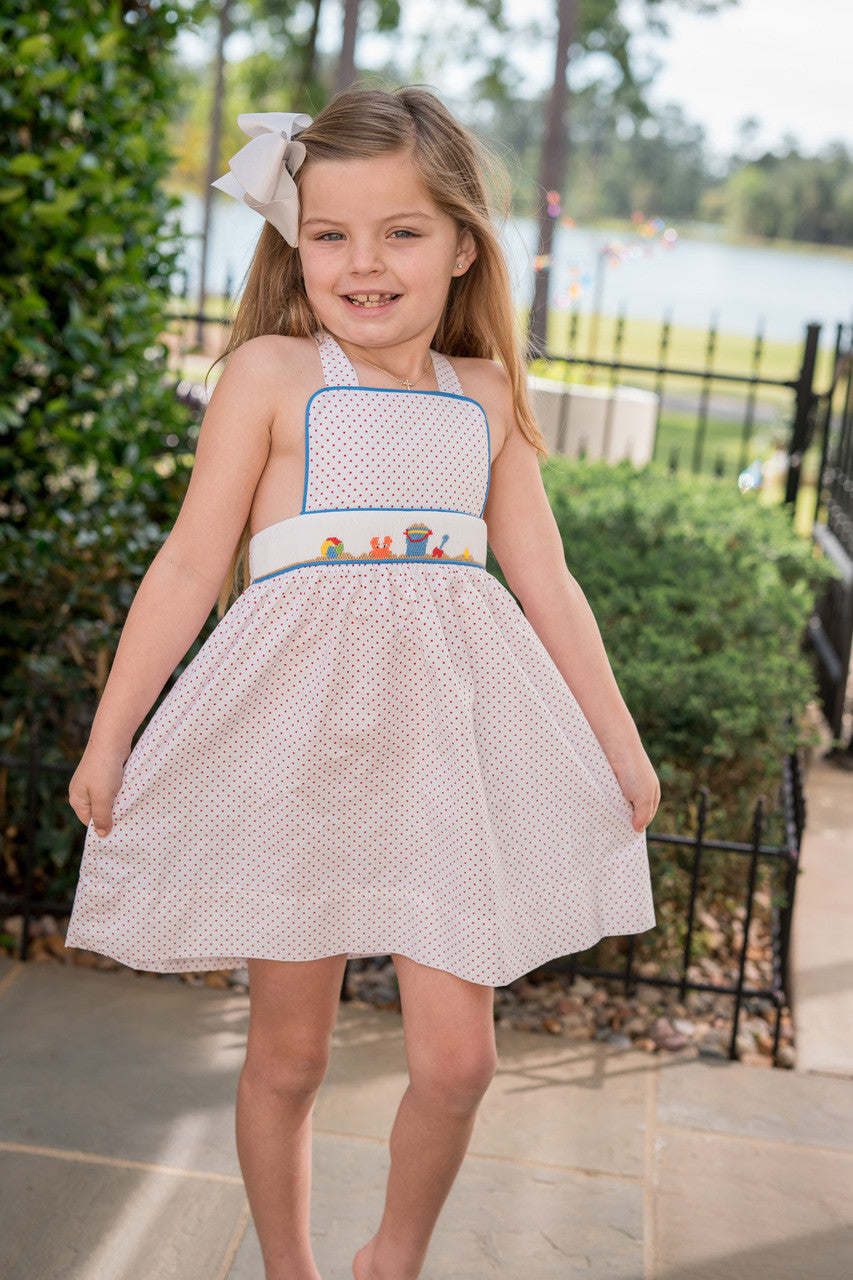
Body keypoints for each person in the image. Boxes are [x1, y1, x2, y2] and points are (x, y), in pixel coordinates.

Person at [67, 84, 659, 1280]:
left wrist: (619, 740)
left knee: (459, 1061)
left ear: (461, 246)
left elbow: (548, 583)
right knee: (290, 1056)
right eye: (331, 233)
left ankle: (390, 1257)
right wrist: (111, 731)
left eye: (401, 232)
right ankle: (289, 1266)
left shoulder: (484, 398)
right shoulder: (272, 374)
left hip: (445, 761)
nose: (364, 262)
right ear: (297, 242)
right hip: (301, 753)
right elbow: (189, 564)